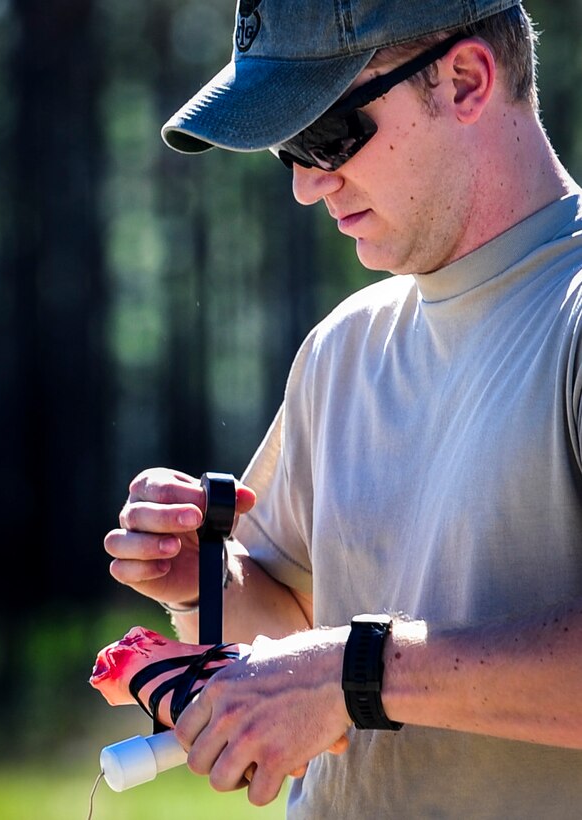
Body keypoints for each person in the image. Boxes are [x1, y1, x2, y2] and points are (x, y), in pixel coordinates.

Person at [104, 0, 582, 816]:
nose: (302, 185)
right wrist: (202, 579)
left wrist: (355, 669)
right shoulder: (342, 347)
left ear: (465, 80)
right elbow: (296, 638)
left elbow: (340, 671)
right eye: (289, 149)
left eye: (325, 135)